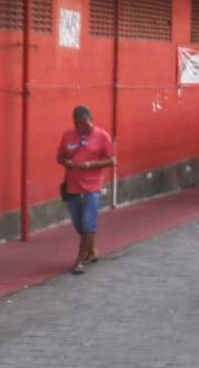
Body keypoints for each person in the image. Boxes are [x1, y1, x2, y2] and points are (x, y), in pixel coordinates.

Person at [57, 106, 117, 274]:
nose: (82, 128)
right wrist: (65, 162)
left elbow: (112, 161)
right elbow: (59, 156)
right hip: (72, 185)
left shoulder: (102, 136)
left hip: (93, 185)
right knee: (78, 223)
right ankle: (91, 251)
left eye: (85, 124)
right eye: (78, 124)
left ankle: (79, 260)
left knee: (88, 222)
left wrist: (92, 165)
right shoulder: (68, 135)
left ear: (91, 119)